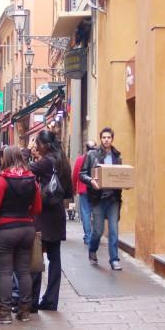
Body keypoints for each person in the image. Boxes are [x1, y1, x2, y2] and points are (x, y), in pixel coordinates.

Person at [0, 146, 41, 324]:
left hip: (5, 230)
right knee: (24, 271)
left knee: (5, 272)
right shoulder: (32, 179)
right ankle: (24, 311)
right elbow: (37, 208)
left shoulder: (1, 180)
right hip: (27, 228)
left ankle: (4, 313)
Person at [29, 130, 72, 311]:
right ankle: (51, 300)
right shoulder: (63, 161)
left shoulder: (46, 162)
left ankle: (32, 300)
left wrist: (28, 152)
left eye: (37, 143)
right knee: (55, 259)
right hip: (57, 214)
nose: (35, 147)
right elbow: (69, 191)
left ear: (45, 145)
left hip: (43, 214)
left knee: (37, 255)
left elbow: (25, 168)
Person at [80, 127, 124, 270]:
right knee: (98, 230)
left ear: (112, 139)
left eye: (109, 137)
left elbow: (120, 175)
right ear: (101, 139)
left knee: (113, 230)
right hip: (98, 198)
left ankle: (114, 259)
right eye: (104, 137)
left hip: (113, 198)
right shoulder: (92, 155)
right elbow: (82, 174)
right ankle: (92, 250)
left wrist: (124, 183)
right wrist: (91, 180)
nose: (106, 140)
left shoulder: (117, 156)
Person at [72, 140, 97, 245]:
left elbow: (75, 175)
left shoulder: (79, 159)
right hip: (95, 189)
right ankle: (94, 236)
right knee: (95, 213)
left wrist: (73, 189)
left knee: (86, 214)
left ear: (85, 148)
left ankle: (88, 237)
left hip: (84, 190)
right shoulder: (97, 159)